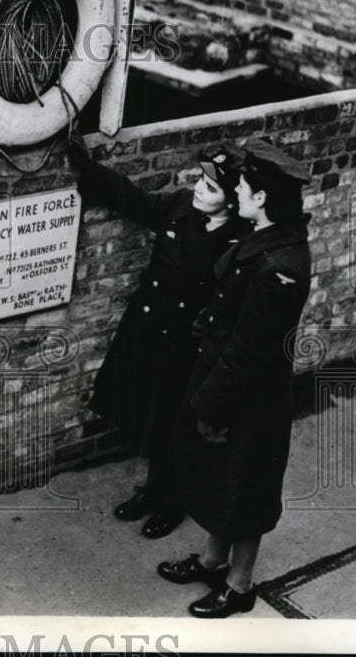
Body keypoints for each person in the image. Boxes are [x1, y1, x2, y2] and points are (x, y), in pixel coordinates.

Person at [159, 138, 312, 618]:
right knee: (225, 481)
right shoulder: (266, 233)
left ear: (262, 196)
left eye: (243, 185)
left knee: (246, 489)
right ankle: (211, 560)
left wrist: (212, 408)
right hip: (232, 382)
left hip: (249, 395)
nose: (237, 191)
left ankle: (240, 586)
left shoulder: (280, 264)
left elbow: (250, 349)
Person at [68, 132, 247, 539]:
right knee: (149, 416)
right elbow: (138, 202)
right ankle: (153, 491)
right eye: (201, 181)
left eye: (211, 187)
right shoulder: (182, 206)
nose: (198, 189)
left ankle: (173, 502)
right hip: (149, 333)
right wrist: (89, 169)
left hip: (186, 346)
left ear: (232, 201)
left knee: (174, 427)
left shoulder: (236, 242)